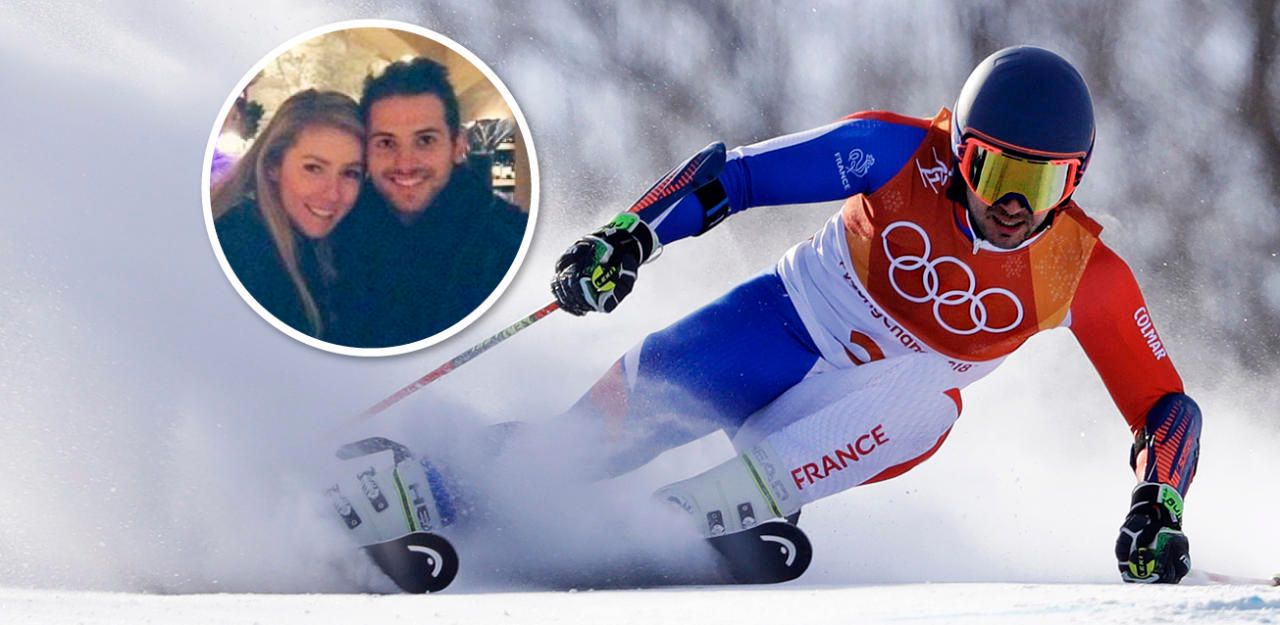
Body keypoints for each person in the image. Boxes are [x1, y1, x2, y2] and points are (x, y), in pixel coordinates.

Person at [334, 46, 1201, 587]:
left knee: (931, 396)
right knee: (586, 441)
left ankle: (710, 510)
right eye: (996, 172)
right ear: (958, 147)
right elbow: (737, 175)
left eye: (1044, 183)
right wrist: (631, 236)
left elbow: (1166, 406)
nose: (1014, 205)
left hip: (847, 416)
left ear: (1077, 179)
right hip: (777, 325)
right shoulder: (897, 150)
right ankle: (418, 486)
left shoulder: (1083, 271)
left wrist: (1157, 503)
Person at [332, 58, 528, 348]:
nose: (405, 163)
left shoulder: (510, 244)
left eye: (425, 140)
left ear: (457, 145)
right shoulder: (333, 240)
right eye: (386, 143)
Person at [212, 89, 365, 341]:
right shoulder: (240, 249)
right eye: (313, 168)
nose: (333, 193)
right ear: (273, 165)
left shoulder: (322, 246)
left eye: (350, 173)